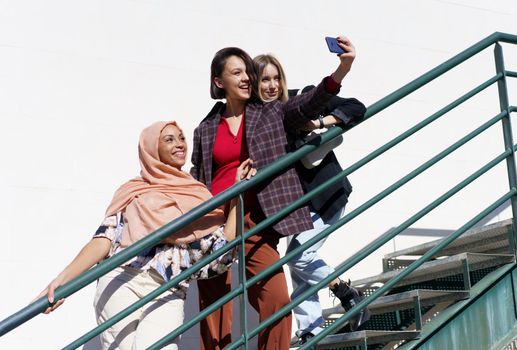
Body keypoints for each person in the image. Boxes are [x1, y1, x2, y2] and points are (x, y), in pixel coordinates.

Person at [191, 36, 356, 350]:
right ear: (219, 81)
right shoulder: (206, 127)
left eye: (246, 72)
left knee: (276, 301)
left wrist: (341, 70)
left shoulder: (269, 114)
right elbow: (198, 176)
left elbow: (307, 104)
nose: (245, 78)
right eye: (236, 73)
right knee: (214, 309)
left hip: (255, 220)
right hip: (214, 220)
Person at [36, 121, 256, 350]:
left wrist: (237, 190)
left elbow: (221, 249)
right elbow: (104, 239)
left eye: (181, 138)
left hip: (168, 287)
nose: (179, 144)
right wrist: (61, 281)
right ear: (152, 149)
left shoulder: (197, 195)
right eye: (169, 139)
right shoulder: (133, 191)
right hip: (121, 279)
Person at [252, 53, 370, 346]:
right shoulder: (256, 122)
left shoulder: (301, 101)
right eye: (264, 79)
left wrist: (318, 122)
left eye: (276, 78)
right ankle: (311, 331)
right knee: (298, 259)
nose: (271, 85)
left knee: (299, 255)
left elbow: (357, 107)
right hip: (297, 205)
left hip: (327, 193)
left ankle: (346, 292)